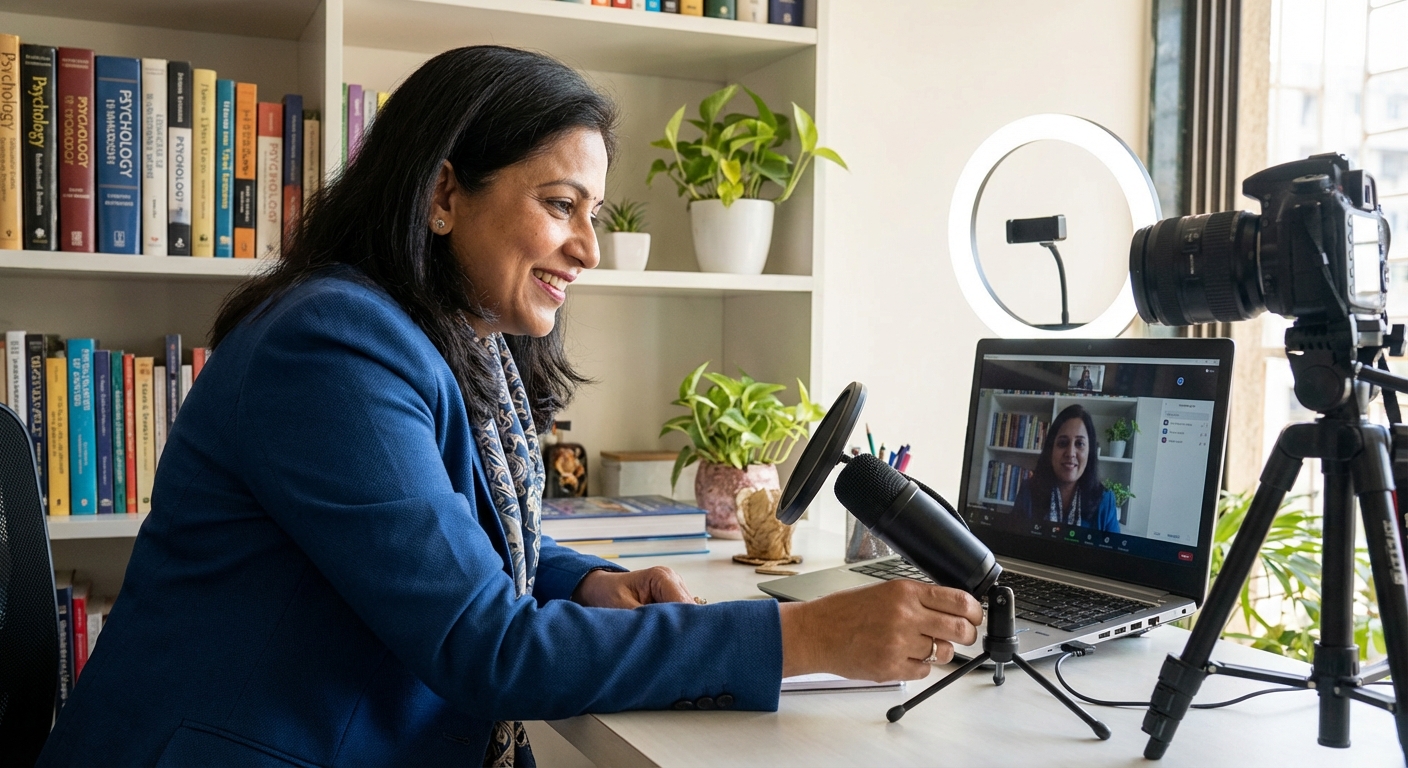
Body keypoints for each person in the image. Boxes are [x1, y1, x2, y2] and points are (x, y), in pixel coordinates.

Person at [37, 47, 983, 767]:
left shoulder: (447, 337)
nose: (588, 249)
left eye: (595, 217)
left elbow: (447, 531)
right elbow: (478, 646)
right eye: (562, 205)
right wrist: (805, 634)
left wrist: (578, 582)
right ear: (444, 191)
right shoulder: (329, 345)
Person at [1011, 405, 1119, 532]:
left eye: (1079, 444)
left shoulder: (1105, 501)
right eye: (1062, 443)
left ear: (1090, 452)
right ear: (1051, 449)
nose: (1070, 453)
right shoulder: (1028, 492)